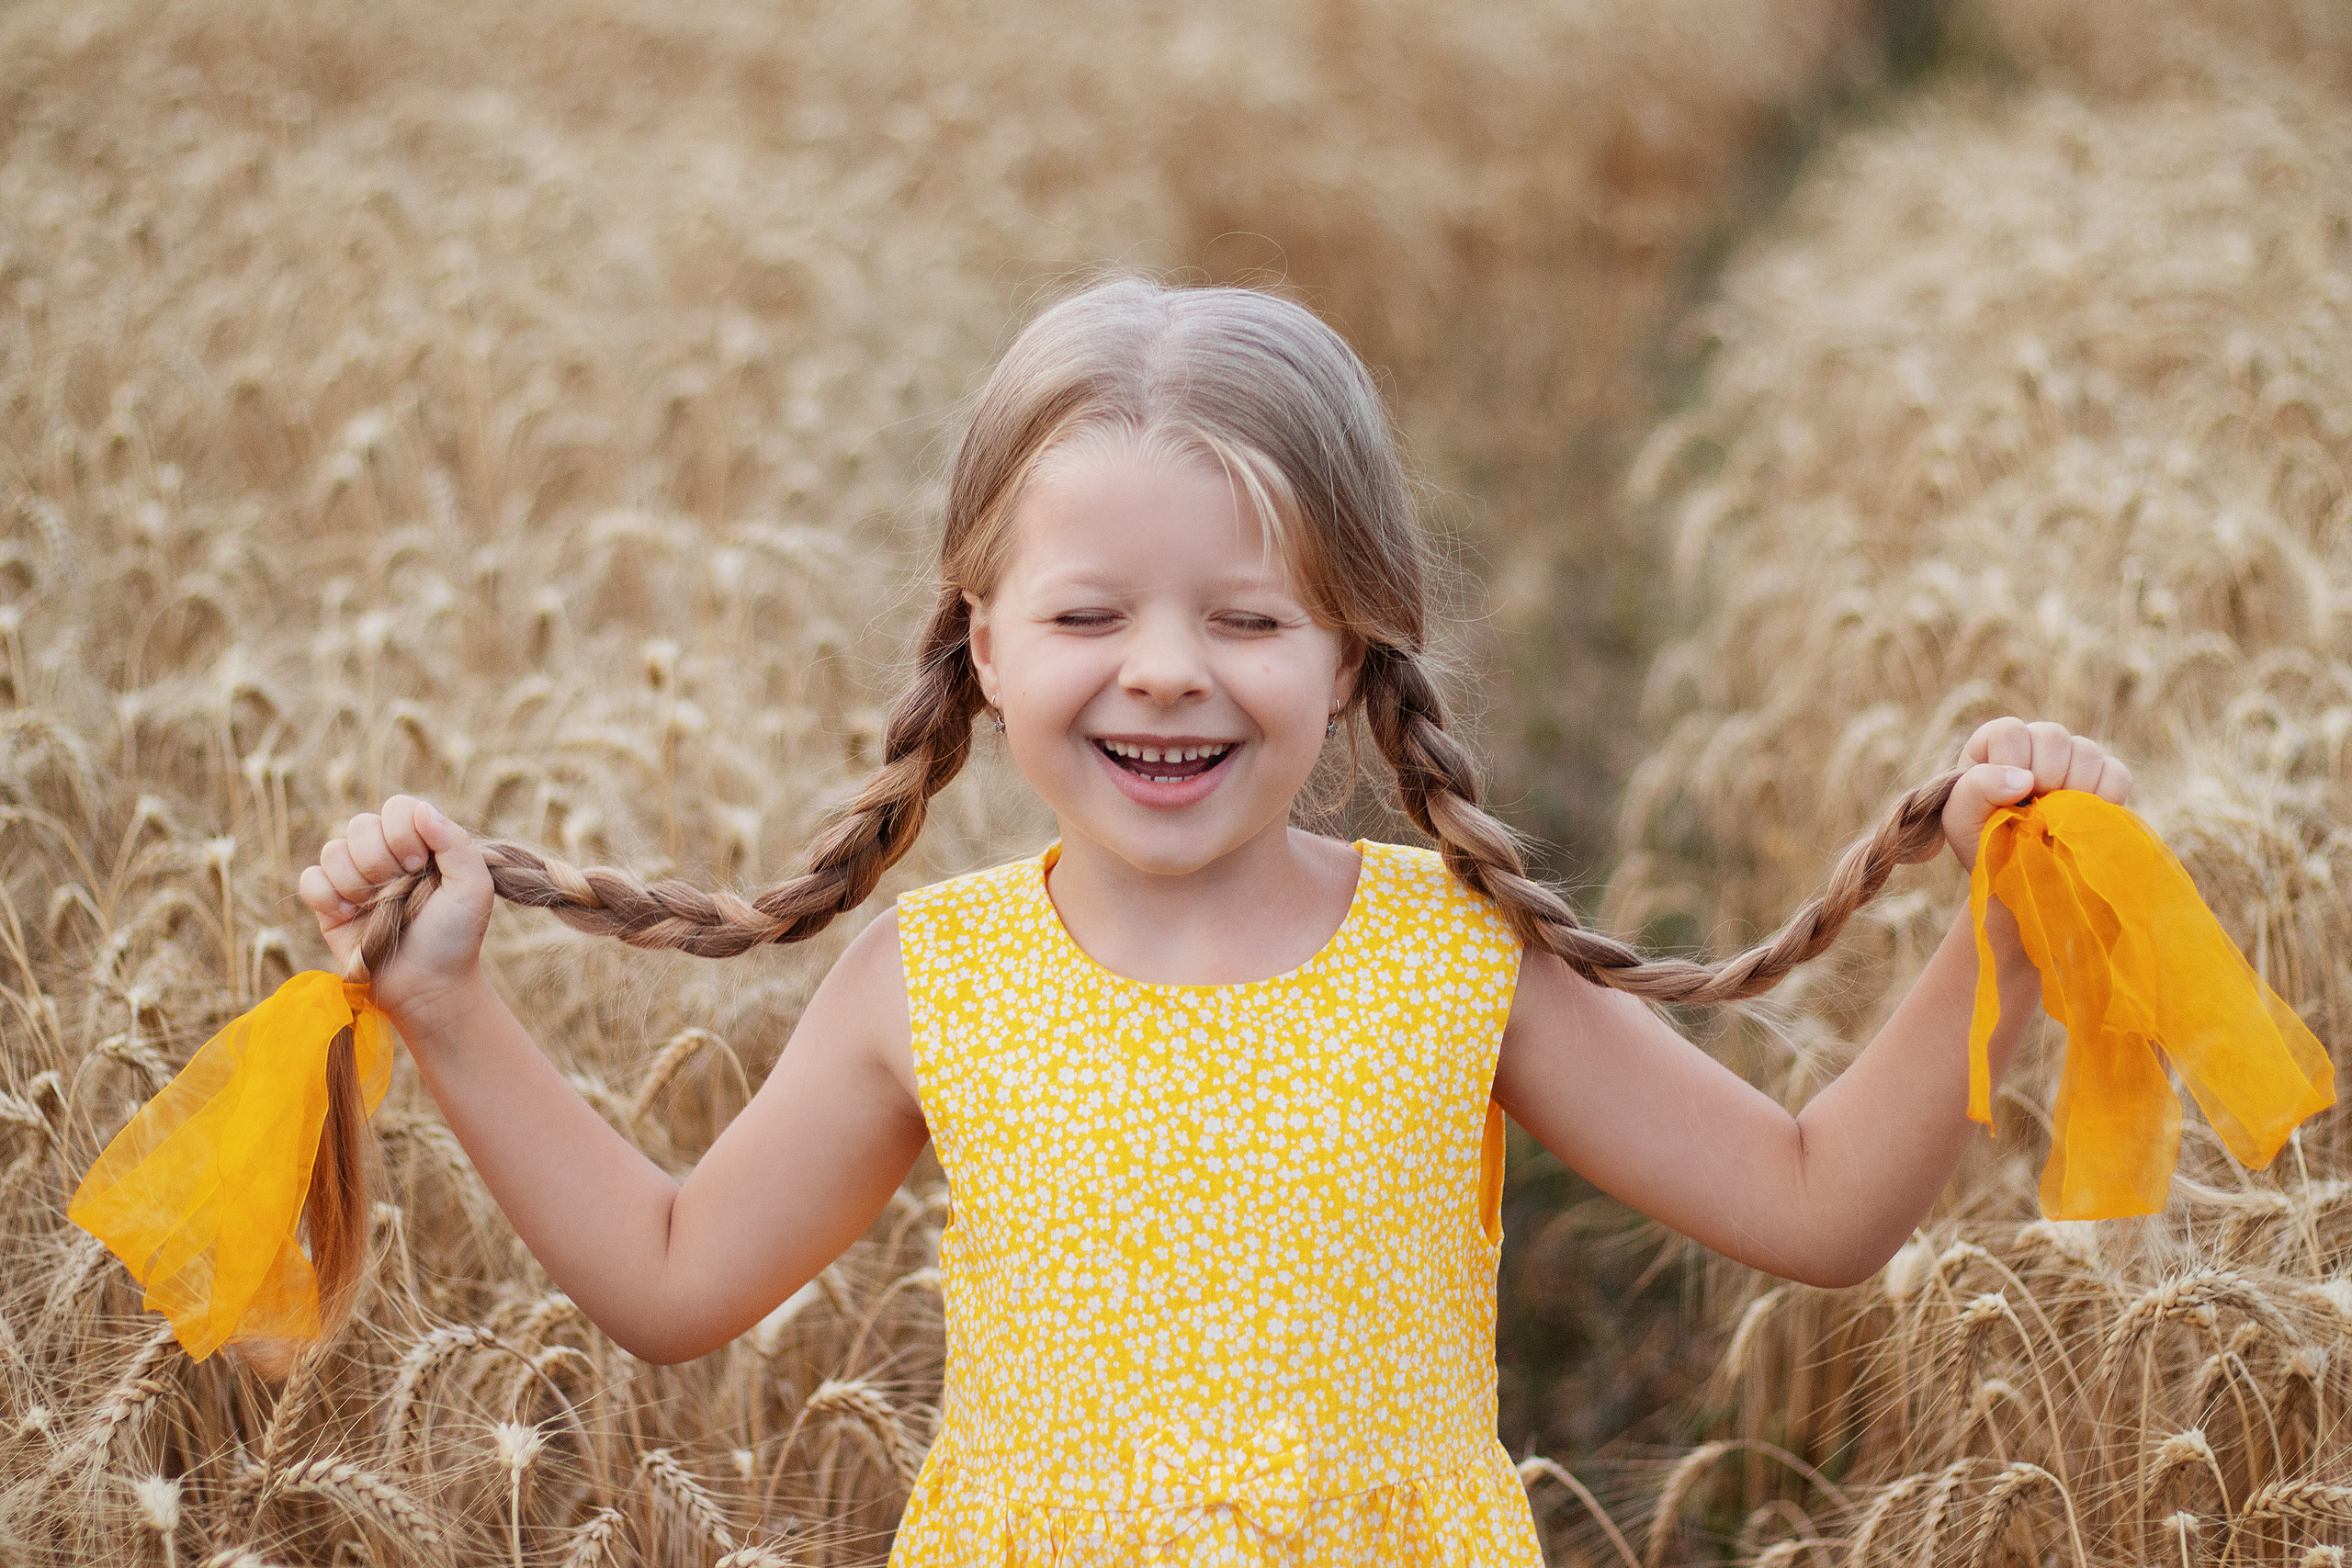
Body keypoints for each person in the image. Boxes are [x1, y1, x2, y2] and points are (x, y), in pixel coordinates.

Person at [300, 278, 2129, 1564]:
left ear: (1348, 653)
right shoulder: (930, 978)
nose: (1165, 672)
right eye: (1089, 614)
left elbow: (1811, 1202)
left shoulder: (1445, 956)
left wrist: (2007, 929)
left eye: (1246, 620)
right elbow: (677, 1274)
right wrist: (453, 1016)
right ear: (982, 642)